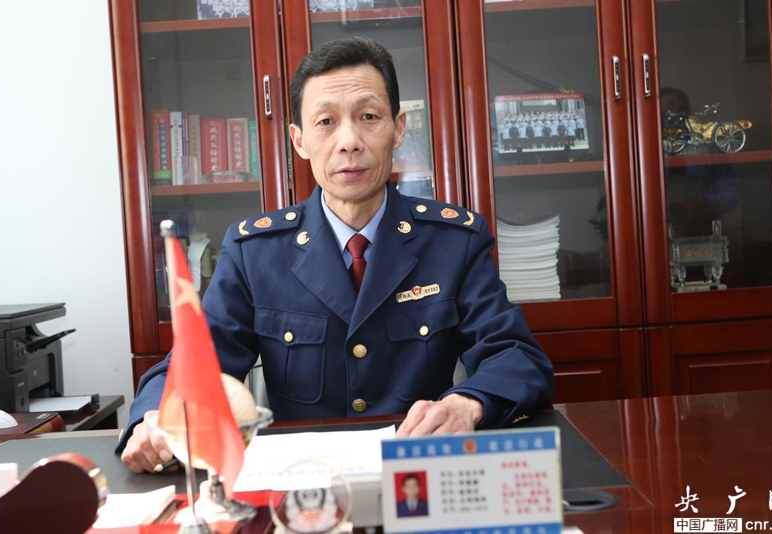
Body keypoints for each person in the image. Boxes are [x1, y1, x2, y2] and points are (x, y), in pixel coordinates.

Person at [118, 37, 553, 473]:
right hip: (301, 482)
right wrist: (153, 420)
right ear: (299, 140)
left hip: (418, 472)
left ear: (399, 128)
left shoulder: (453, 242)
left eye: (368, 117)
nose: (349, 141)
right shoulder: (255, 252)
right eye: (326, 121)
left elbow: (516, 356)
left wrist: (466, 404)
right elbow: (192, 366)